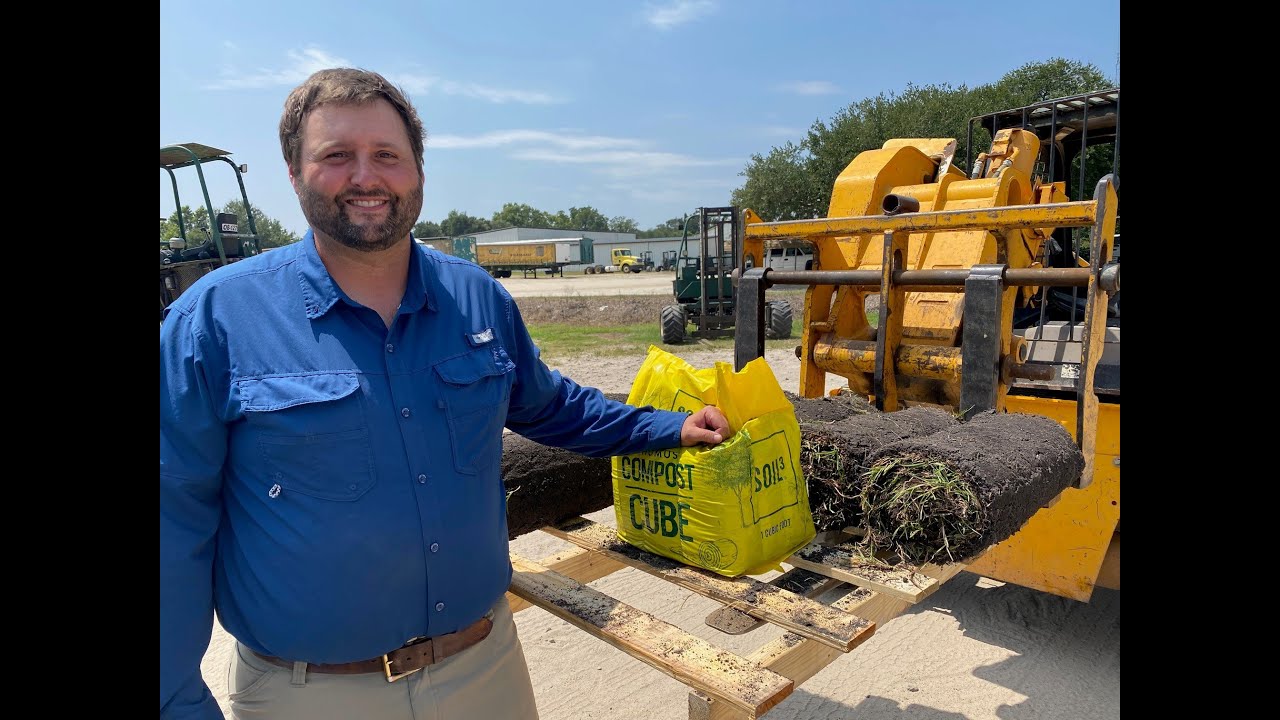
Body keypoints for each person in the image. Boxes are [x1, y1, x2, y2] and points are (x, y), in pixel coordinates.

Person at [160, 67, 732, 720]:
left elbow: (549, 405)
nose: (365, 177)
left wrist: (665, 427)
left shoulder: (476, 298)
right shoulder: (214, 322)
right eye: (336, 156)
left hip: (483, 670)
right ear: (294, 174)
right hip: (312, 695)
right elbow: (171, 520)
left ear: (418, 173)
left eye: (386, 156)